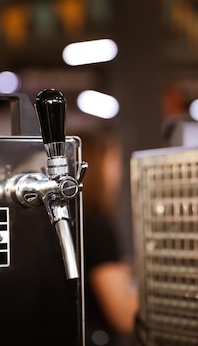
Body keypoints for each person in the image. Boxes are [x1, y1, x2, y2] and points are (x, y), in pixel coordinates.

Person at [77, 130, 139, 346]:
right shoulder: (97, 225)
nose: (119, 171)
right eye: (115, 161)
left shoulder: (73, 220)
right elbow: (123, 316)